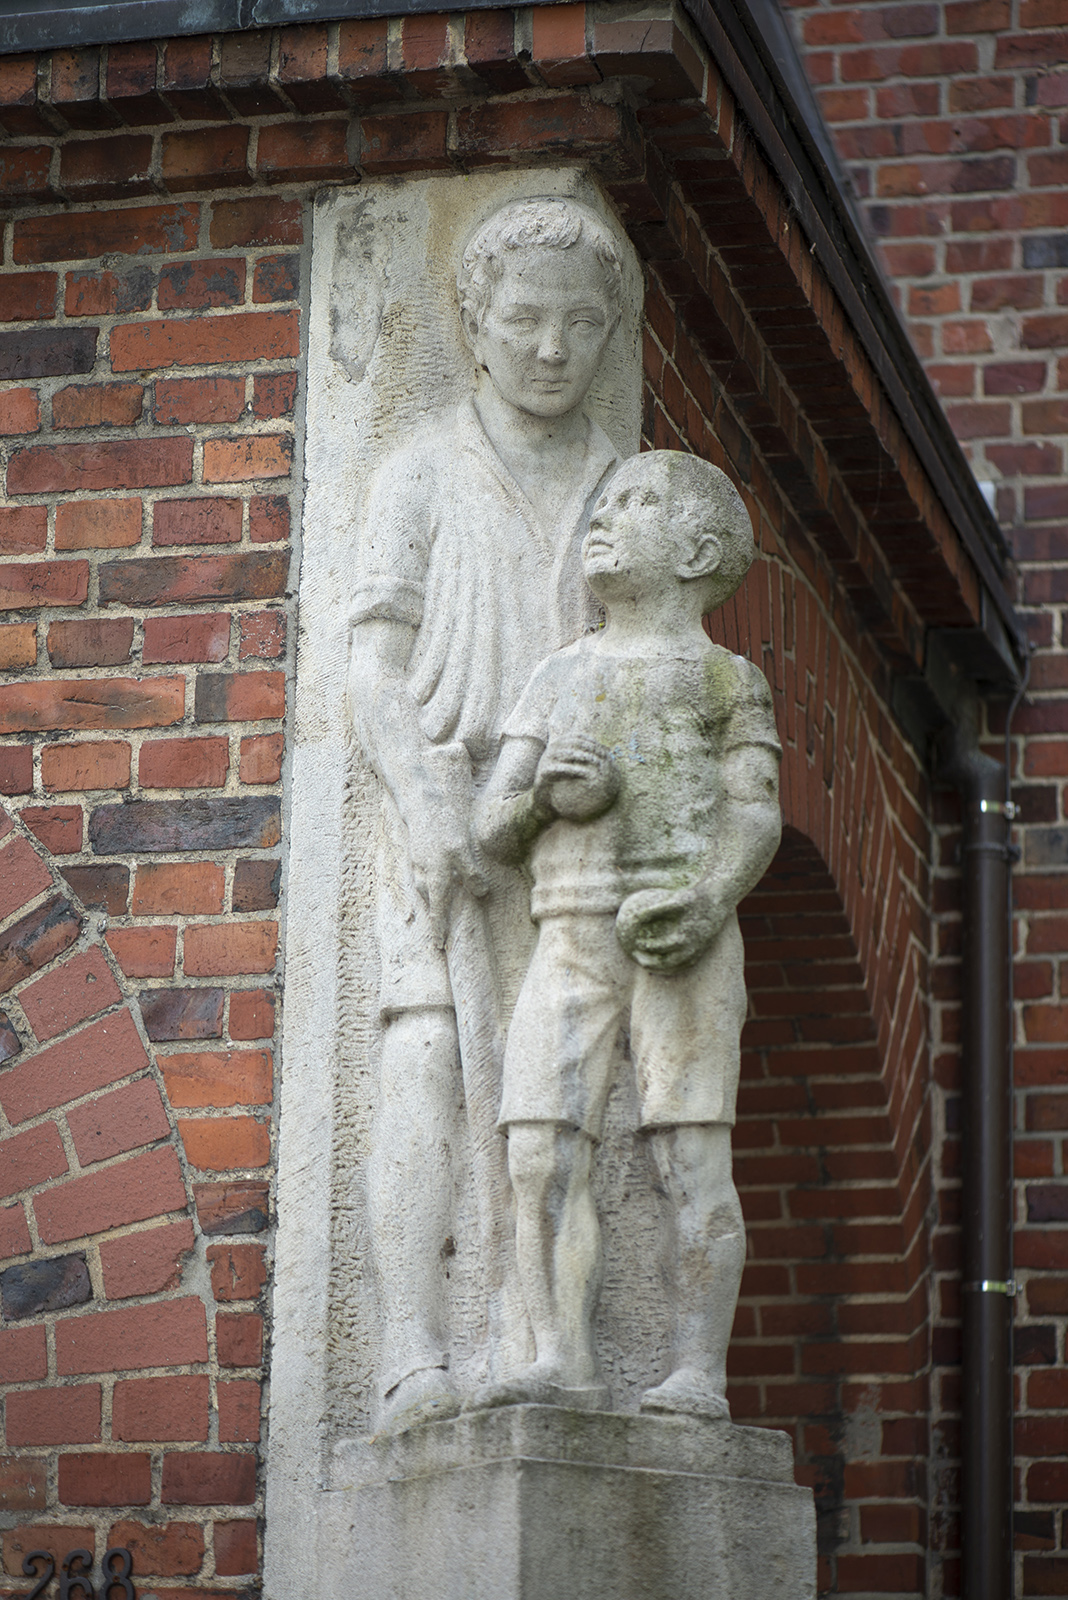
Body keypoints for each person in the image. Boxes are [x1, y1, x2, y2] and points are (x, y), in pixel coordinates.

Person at [348, 196, 627, 1432]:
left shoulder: (625, 486)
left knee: (563, 1083)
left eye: (578, 325)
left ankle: (541, 1331)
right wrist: (423, 798)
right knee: (425, 1044)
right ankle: (411, 1342)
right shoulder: (419, 468)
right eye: (524, 321)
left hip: (572, 822)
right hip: (443, 790)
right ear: (474, 323)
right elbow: (369, 658)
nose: (552, 350)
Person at [475, 450, 782, 1419]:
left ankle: (700, 1369)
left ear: (696, 550)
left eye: (636, 503)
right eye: (601, 505)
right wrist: (538, 801)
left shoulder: (727, 680)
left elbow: (755, 812)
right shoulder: (559, 675)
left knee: (690, 1155)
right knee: (538, 1149)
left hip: (679, 934)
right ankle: (558, 1352)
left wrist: (707, 898)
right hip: (568, 928)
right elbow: (491, 823)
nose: (604, 519)